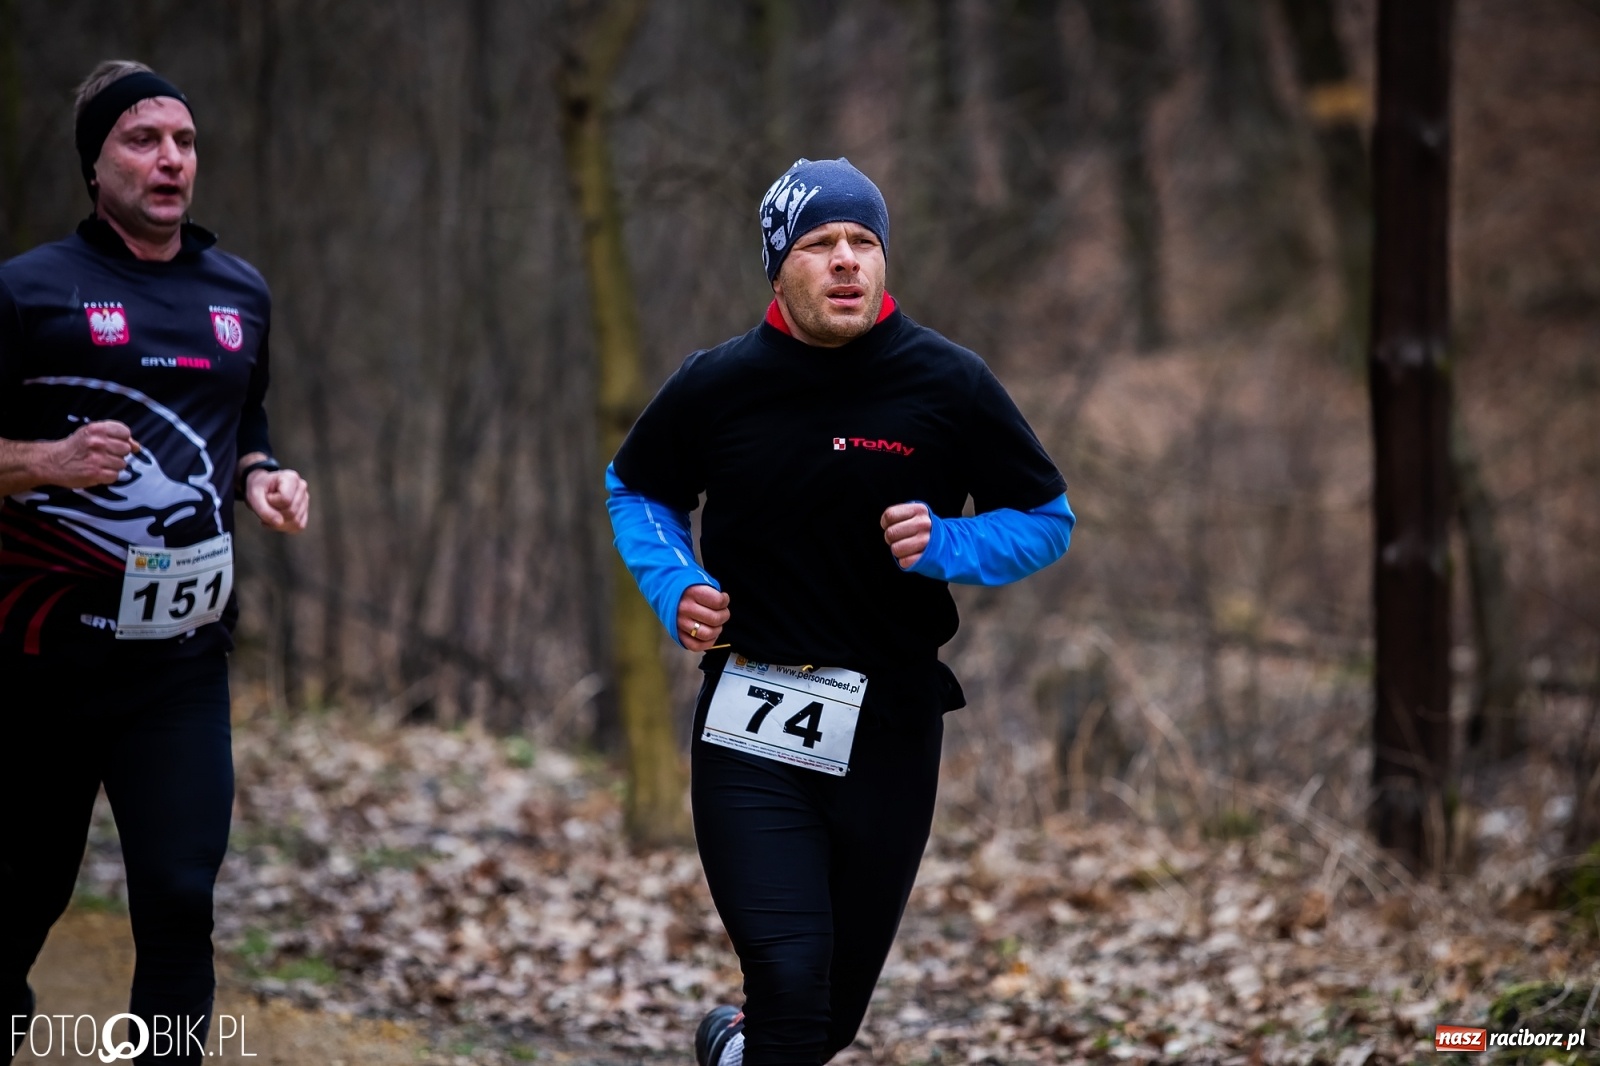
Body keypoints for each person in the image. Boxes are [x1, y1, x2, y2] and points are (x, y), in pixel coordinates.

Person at [607, 158, 1075, 1066]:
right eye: (822, 244)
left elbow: (1048, 519)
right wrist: (676, 585)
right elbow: (636, 488)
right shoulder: (718, 383)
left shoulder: (949, 382)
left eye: (865, 241)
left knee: (825, 1023)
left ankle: (731, 1052)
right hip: (752, 718)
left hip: (893, 728)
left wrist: (950, 543)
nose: (848, 261)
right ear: (780, 265)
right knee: (787, 983)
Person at [1, 61, 308, 1064]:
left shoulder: (241, 293)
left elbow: (241, 423)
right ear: (96, 163)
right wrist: (44, 461)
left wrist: (263, 476)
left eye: (183, 141)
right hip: (38, 658)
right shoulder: (29, 290)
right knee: (22, 898)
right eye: (143, 139)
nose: (170, 158)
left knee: (179, 898)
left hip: (177, 660)